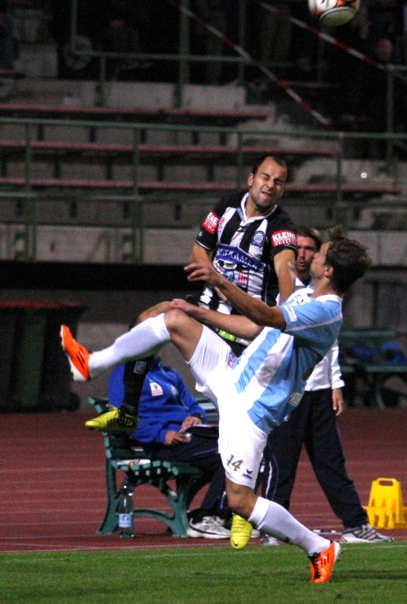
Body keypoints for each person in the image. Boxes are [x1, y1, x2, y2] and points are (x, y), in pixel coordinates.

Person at [61, 226, 372, 583]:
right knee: (175, 319)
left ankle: (319, 547)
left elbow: (268, 317)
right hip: (234, 375)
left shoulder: (326, 311)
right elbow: (257, 329)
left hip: (251, 411)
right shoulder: (303, 296)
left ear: (329, 270)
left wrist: (220, 281)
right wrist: (200, 314)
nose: (311, 256)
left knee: (240, 501)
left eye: (320, 253)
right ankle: (91, 362)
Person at [84, 154, 297, 434]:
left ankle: (95, 366)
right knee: (146, 319)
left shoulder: (281, 228)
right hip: (208, 307)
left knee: (170, 317)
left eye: (278, 182)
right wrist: (214, 277)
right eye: (265, 177)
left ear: (282, 190)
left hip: (242, 326)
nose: (270, 185)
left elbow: (286, 270)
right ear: (251, 179)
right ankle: (128, 411)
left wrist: (286, 310)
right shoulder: (228, 205)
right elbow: (198, 250)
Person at [260, 227, 393, 546]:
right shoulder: (293, 295)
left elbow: (330, 346)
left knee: (330, 460)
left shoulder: (324, 299)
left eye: (312, 250)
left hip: (318, 392)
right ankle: (273, 530)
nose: (306, 255)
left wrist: (335, 383)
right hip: (289, 392)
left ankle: (355, 524)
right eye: (301, 248)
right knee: (282, 463)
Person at [108, 355, 230, 539]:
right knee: (229, 455)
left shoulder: (169, 373)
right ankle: (202, 518)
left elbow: (193, 405)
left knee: (244, 453)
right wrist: (161, 435)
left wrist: (196, 416)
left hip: (188, 439)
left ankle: (218, 515)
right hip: (162, 447)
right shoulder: (124, 374)